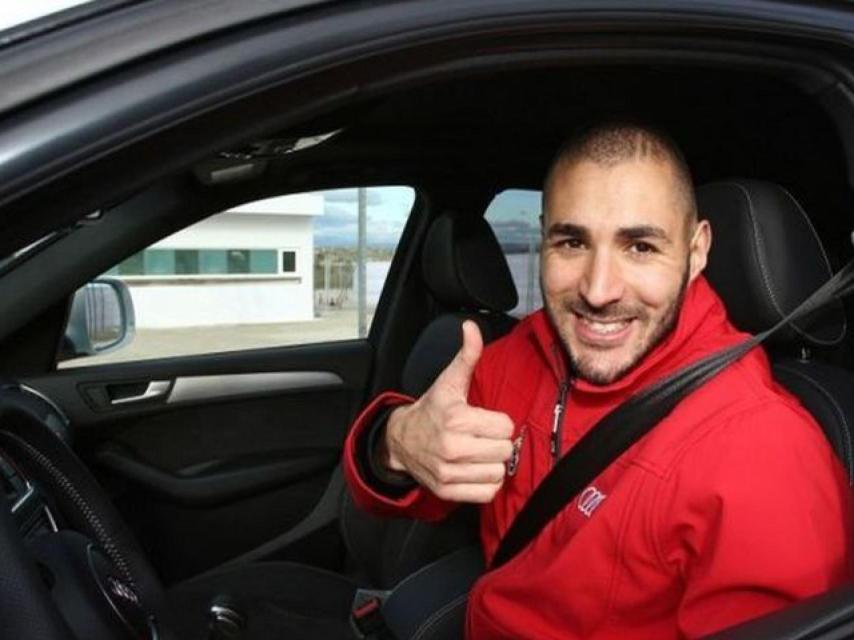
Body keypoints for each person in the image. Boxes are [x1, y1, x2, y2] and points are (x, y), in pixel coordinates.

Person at [343, 123, 853, 639]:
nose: (598, 290)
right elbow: (422, 483)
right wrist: (395, 443)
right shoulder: (519, 352)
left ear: (697, 251)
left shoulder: (762, 452)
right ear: (544, 239)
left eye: (640, 247)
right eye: (572, 242)